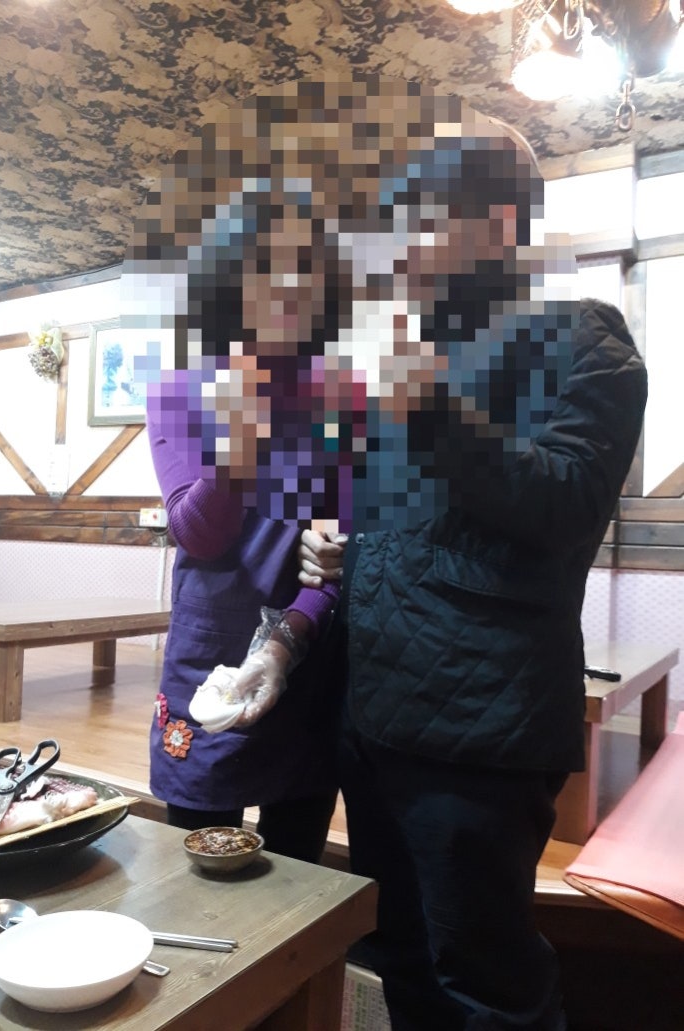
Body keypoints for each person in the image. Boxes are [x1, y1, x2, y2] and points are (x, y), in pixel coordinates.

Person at [295, 135, 648, 1026]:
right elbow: (418, 521)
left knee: (485, 985)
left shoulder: (582, 338)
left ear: (494, 220)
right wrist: (342, 544)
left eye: (415, 216)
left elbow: (564, 500)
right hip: (373, 716)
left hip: (478, 727)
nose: (392, 242)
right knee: (399, 957)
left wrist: (421, 398)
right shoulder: (414, 359)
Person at [145, 197, 348, 863]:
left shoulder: (339, 396)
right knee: (195, 861)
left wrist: (291, 636)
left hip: (306, 646)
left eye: (303, 268)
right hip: (209, 649)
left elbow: (336, 548)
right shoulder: (181, 389)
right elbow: (198, 534)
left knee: (298, 865)